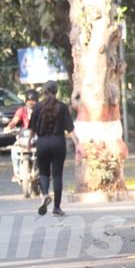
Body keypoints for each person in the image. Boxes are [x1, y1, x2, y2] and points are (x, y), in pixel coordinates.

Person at [28, 81, 84, 216]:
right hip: (58, 143)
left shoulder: (37, 107)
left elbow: (32, 129)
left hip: (42, 143)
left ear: (44, 92)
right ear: (56, 92)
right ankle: (57, 208)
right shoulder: (63, 107)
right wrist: (77, 144)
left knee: (44, 173)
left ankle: (45, 195)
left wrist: (29, 142)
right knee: (57, 175)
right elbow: (70, 129)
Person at [8, 89, 39, 181]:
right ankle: (17, 173)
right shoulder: (21, 110)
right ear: (25, 101)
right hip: (24, 136)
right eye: (29, 100)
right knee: (14, 149)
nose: (31, 103)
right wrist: (9, 127)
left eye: (33, 100)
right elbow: (14, 121)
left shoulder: (40, 110)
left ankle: (45, 171)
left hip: (37, 136)